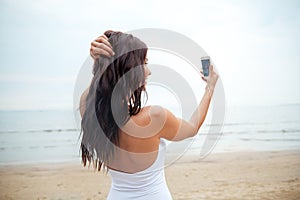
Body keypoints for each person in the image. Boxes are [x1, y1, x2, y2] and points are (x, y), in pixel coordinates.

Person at [79, 30, 219, 200]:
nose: (149, 71)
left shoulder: (90, 111)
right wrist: (209, 88)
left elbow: (96, 91)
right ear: (128, 68)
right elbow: (192, 127)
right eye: (144, 63)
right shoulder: (154, 117)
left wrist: (102, 64)